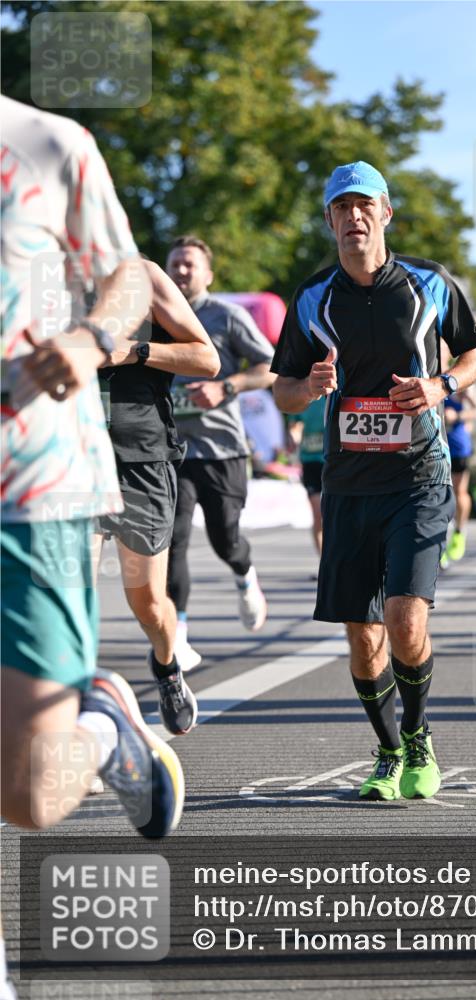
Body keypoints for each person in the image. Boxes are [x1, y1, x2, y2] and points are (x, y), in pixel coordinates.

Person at [1, 96, 184, 956]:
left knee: (29, 798)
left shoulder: (46, 142)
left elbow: (128, 277)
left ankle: (105, 726)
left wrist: (87, 341)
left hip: (31, 483)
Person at [271, 161, 476, 801]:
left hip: (418, 477)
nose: (354, 217)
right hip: (347, 485)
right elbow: (281, 389)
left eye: (365, 206)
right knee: (363, 640)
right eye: (342, 208)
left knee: (403, 618)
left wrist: (440, 384)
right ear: (330, 221)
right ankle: (388, 751)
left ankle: (419, 739)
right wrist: (306, 387)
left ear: (386, 213)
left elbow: (474, 352)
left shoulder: (429, 284)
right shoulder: (312, 298)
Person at [93, 261, 220, 731]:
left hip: (141, 459)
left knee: (146, 600)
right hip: (70, 463)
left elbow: (206, 359)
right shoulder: (37, 279)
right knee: (68, 599)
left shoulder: (140, 276)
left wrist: (134, 351)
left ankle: (167, 665)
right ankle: (75, 726)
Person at [165, 236, 276, 670]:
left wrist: (225, 386)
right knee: (172, 541)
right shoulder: (155, 318)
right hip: (171, 451)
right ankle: (180, 636)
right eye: (175, 263)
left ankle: (244, 574)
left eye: (190, 264)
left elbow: (270, 368)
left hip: (221, 449)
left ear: (207, 274)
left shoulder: (226, 317)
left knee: (224, 538)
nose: (181, 270)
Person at [439, 383, 476, 568]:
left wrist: (457, 416)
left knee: (459, 492)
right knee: (437, 495)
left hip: (457, 448)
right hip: (434, 445)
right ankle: (439, 544)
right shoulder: (426, 370)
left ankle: (459, 532)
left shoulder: (457, 378)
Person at [287, 394, 327, 562]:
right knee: (318, 513)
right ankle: (323, 562)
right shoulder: (302, 394)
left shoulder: (332, 397)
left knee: (335, 513)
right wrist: (293, 436)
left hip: (332, 461)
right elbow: (294, 425)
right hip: (310, 462)